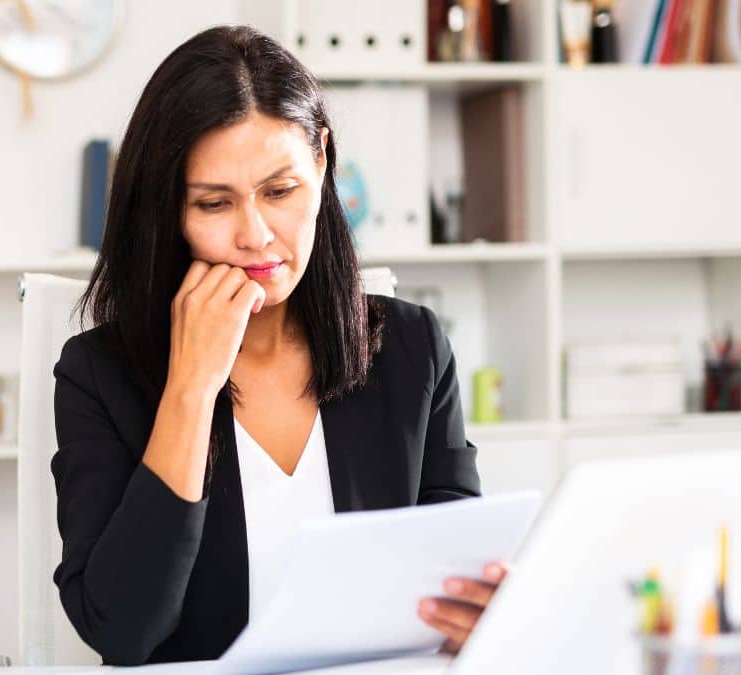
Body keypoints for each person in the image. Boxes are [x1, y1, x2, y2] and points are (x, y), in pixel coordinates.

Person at [51, 25, 501, 666]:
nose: (256, 235)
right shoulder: (99, 374)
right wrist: (190, 388)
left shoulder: (412, 347)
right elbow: (122, 630)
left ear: (321, 161)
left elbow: (452, 575)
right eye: (214, 203)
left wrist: (474, 608)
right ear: (169, 211)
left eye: (279, 191)